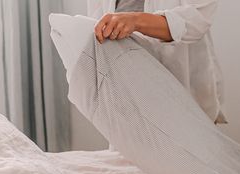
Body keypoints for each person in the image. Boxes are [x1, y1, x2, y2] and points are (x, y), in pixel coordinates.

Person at [87, 0, 227, 125]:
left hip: (183, 92)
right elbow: (96, 25)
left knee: (188, 148)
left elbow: (197, 19)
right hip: (127, 98)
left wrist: (136, 21)